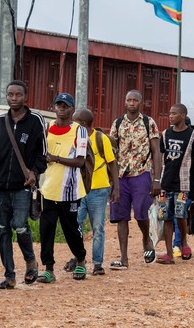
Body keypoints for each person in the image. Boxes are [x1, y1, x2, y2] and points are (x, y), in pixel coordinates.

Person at [0, 80, 47, 289]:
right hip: (0, 187)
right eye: (10, 94)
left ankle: (30, 262)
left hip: (22, 187)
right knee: (2, 230)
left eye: (18, 95)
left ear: (25, 97)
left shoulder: (36, 121)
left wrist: (34, 173)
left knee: (20, 226)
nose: (13, 98)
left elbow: (42, 155)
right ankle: (9, 276)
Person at [108, 90, 161, 269]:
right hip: (121, 176)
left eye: (135, 100)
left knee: (141, 212)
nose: (131, 103)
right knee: (120, 216)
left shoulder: (148, 123)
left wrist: (156, 179)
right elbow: (112, 153)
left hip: (142, 173)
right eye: (128, 100)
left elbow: (156, 152)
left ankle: (147, 239)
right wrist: (112, 180)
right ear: (125, 102)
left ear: (141, 103)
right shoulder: (117, 124)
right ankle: (124, 258)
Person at [38, 95, 88, 282]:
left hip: (70, 191)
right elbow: (40, 155)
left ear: (72, 110)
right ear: (54, 108)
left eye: (66, 106)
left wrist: (56, 158)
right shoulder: (47, 129)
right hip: (49, 189)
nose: (61, 109)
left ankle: (81, 260)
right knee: (46, 229)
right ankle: (48, 268)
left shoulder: (79, 131)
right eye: (59, 105)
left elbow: (80, 161)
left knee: (71, 229)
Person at [155, 104, 194, 264]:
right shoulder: (165, 134)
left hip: (183, 184)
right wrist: (156, 180)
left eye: (174, 113)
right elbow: (159, 158)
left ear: (183, 115)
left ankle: (184, 242)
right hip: (166, 184)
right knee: (166, 218)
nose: (170, 116)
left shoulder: (192, 135)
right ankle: (169, 254)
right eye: (170, 113)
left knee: (180, 215)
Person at [69, 109, 119, 276]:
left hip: (98, 189)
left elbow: (112, 164)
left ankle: (97, 263)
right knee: (75, 225)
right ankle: (78, 259)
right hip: (78, 189)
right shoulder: (73, 137)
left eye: (75, 121)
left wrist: (115, 188)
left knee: (97, 227)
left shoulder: (100, 138)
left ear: (82, 124)